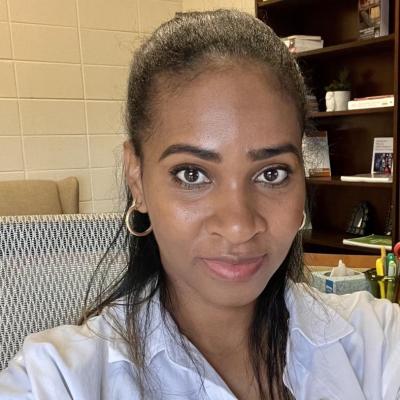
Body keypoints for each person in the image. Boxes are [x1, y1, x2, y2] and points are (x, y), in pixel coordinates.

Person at [0, 9, 399, 400]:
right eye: (192, 174)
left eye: (272, 173)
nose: (239, 225)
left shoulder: (375, 343)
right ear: (136, 178)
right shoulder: (59, 380)